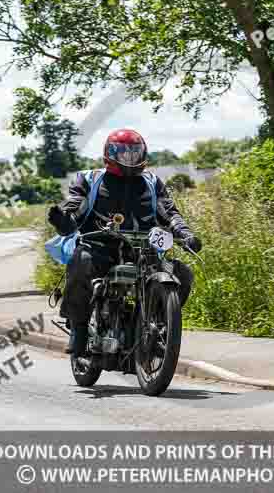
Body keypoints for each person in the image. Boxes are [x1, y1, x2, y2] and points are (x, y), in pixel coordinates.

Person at [47, 129, 202, 356]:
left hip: (143, 252)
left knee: (183, 273)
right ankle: (79, 328)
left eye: (134, 152)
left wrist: (186, 234)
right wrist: (62, 219)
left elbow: (169, 213)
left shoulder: (151, 182)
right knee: (82, 260)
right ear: (110, 153)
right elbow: (74, 208)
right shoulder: (89, 180)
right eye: (124, 153)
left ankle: (157, 328)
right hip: (100, 248)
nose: (130, 158)